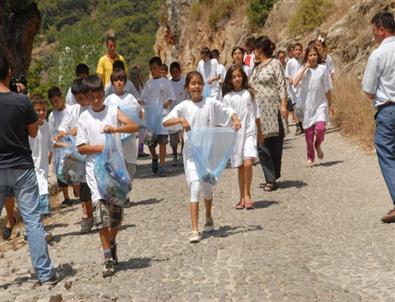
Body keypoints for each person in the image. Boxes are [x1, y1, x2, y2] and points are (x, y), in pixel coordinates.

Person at [163, 71, 241, 243]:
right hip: (191, 156)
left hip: (208, 157)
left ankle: (208, 216)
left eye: (199, 83)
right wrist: (180, 121)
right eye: (193, 83)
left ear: (203, 86)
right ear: (187, 88)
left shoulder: (211, 103)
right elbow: (165, 121)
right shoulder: (183, 106)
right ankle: (194, 229)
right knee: (195, 187)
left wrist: (235, 119)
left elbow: (228, 111)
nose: (196, 86)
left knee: (207, 190)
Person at [0, 54, 57, 284]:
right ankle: (44, 273)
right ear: (9, 74)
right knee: (33, 220)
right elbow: (34, 132)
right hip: (22, 166)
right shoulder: (21, 101)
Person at [76, 75, 139, 277]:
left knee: (116, 217)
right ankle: (107, 258)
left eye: (99, 95)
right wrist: (102, 147)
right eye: (91, 96)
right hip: (95, 175)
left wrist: (115, 129)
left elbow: (133, 126)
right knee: (101, 217)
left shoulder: (113, 111)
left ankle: (112, 242)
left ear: (104, 94)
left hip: (116, 172)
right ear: (86, 97)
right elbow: (82, 147)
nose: (96, 100)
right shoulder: (84, 118)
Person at [362, 12, 395, 224]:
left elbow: (368, 89)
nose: (373, 34)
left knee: (387, 153)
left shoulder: (378, 54)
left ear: (381, 30)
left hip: (388, 110)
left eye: (374, 29)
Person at [56, 79, 94, 233]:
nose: (80, 99)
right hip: (78, 156)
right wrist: (60, 135)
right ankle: (88, 216)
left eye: (82, 96)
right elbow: (64, 127)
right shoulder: (72, 111)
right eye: (76, 97)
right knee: (83, 188)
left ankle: (99, 213)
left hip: (95, 154)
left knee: (97, 187)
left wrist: (75, 131)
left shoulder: (94, 108)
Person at [250, 36, 288, 192]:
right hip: (259, 112)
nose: (253, 53)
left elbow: (281, 84)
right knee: (262, 145)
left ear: (259, 49)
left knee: (276, 145)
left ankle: (274, 174)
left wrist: (284, 105)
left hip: (273, 109)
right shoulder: (256, 68)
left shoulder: (275, 64)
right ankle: (270, 179)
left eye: (254, 49)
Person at [222, 65, 262, 210]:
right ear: (230, 80)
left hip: (250, 132)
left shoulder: (249, 94)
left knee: (248, 164)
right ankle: (241, 197)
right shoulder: (227, 98)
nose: (237, 79)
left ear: (243, 77)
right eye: (233, 77)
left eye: (239, 76)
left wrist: (260, 132)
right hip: (236, 136)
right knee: (240, 167)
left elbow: (256, 114)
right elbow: (225, 115)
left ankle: (248, 195)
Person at [293, 46, 334, 167]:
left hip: (320, 104)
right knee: (309, 135)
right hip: (307, 107)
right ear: (307, 57)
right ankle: (310, 157)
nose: (313, 57)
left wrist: (330, 105)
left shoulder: (323, 69)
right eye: (310, 55)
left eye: (315, 55)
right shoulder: (304, 70)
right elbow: (295, 83)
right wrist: (305, 68)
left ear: (318, 56)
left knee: (321, 128)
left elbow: (327, 89)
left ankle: (318, 144)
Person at [105, 68, 142, 181]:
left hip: (130, 137)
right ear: (112, 83)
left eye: (121, 80)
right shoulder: (109, 100)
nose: (119, 83)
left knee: (130, 164)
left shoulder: (130, 98)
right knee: (117, 163)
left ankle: (127, 185)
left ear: (125, 82)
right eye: (116, 80)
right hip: (115, 137)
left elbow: (139, 113)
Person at [141, 56, 176, 177]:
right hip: (151, 118)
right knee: (150, 142)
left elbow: (171, 96)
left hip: (163, 117)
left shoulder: (165, 82)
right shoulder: (148, 83)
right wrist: (141, 103)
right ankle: (154, 157)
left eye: (154, 68)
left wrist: (168, 102)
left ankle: (161, 165)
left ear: (160, 68)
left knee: (162, 141)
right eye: (151, 68)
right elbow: (143, 98)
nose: (152, 70)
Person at [48, 86, 74, 207]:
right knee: (61, 174)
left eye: (57, 101)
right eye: (53, 102)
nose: (55, 104)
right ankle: (66, 198)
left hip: (70, 145)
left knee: (74, 171)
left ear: (62, 98)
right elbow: (51, 132)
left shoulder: (71, 110)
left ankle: (76, 188)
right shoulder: (52, 116)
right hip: (59, 148)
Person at [169, 61, 188, 166]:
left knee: (184, 135)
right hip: (172, 113)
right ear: (170, 72)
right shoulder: (168, 83)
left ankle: (184, 153)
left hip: (183, 113)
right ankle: (174, 155)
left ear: (180, 71)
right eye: (173, 72)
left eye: (177, 71)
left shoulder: (184, 82)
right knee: (173, 137)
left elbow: (187, 95)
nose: (175, 73)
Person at [129, 65, 149, 158]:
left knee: (142, 130)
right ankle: (135, 150)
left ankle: (140, 149)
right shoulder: (130, 86)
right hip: (133, 110)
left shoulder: (141, 85)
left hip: (141, 109)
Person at [285, 42, 304, 135]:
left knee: (303, 106)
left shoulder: (304, 61)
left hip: (303, 87)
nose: (298, 52)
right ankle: (298, 126)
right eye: (296, 50)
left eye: (300, 50)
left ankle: (304, 123)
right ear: (293, 51)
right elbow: (287, 74)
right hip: (293, 88)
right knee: (296, 106)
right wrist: (290, 79)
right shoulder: (290, 62)